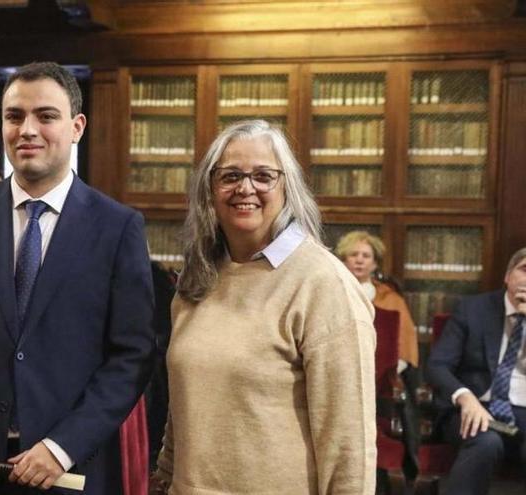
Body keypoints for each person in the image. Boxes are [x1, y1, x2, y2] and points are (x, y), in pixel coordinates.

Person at [0, 61, 155, 495]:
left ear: (77, 127)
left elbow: (131, 356)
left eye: (46, 116)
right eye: (14, 116)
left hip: (69, 469)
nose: (27, 129)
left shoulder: (118, 228)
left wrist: (63, 445)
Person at [152, 120, 376, 494]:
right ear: (210, 188)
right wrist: (164, 474)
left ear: (287, 186)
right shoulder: (198, 279)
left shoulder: (323, 284)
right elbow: (184, 406)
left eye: (263, 176)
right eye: (230, 176)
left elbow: (348, 442)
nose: (245, 188)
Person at [425, 248, 526, 495]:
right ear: (507, 276)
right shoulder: (473, 309)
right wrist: (465, 396)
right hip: (475, 406)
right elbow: (437, 365)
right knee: (485, 441)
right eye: (525, 270)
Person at [336, 230, 419, 371]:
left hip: (382, 377)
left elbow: (406, 346)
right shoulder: (330, 293)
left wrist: (386, 374)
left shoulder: (391, 299)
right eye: (354, 254)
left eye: (366, 256)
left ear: (375, 264)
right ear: (343, 260)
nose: (359, 260)